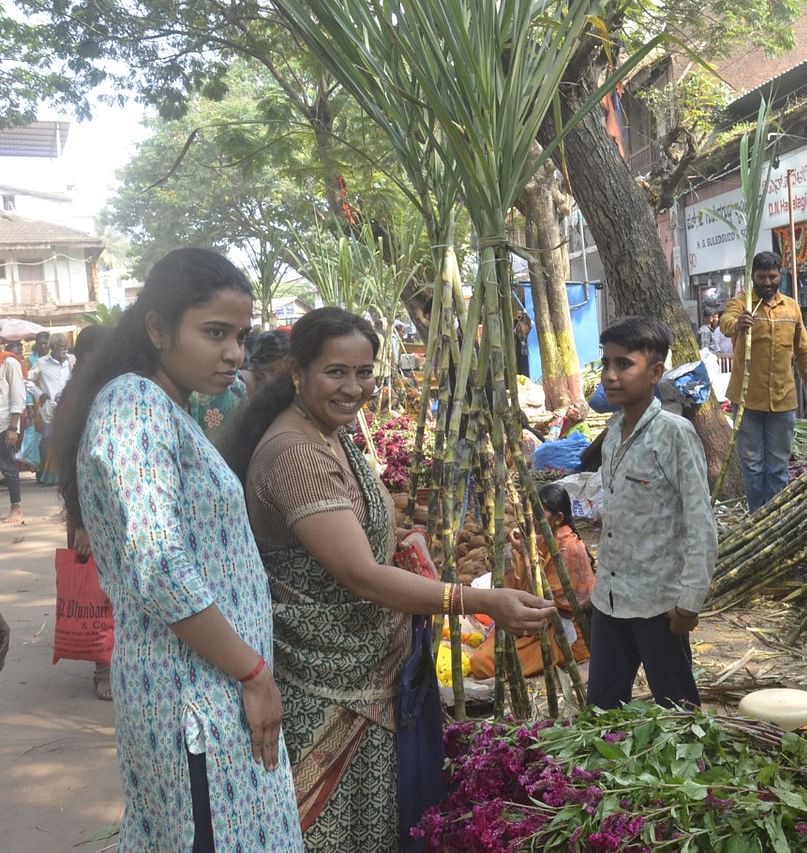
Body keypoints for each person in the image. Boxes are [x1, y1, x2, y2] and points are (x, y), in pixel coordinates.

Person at [224, 306, 554, 851]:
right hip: (328, 687)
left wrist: (400, 538)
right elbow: (360, 575)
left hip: (367, 676)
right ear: (298, 373)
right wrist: (476, 600)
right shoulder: (294, 454)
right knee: (336, 830)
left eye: (364, 371)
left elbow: (357, 537)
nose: (353, 387)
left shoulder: (332, 435)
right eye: (336, 372)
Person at [55, 248, 304, 851]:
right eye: (215, 333)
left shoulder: (166, 408)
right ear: (159, 329)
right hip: (196, 699)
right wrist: (253, 673)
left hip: (209, 689)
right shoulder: (134, 408)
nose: (234, 354)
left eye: (240, 336)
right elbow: (160, 564)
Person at [586, 317, 718, 710]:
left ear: (655, 371)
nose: (610, 375)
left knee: (678, 715)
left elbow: (701, 523)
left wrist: (690, 603)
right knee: (602, 713)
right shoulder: (612, 433)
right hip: (610, 600)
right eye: (605, 364)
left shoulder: (674, 434)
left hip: (660, 605)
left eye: (623, 364)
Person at [720, 251, 807, 512]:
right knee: (753, 468)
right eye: (761, 277)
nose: (767, 282)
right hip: (747, 401)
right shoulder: (742, 304)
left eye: (772, 276)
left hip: (783, 400)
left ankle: (774, 520)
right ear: (752, 277)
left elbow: (802, 352)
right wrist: (738, 324)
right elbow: (725, 322)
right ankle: (757, 518)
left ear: (780, 275)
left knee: (778, 467)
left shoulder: (791, 307)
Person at [470, 481, 595, 678]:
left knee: (482, 663)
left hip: (561, 631)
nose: (531, 518)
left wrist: (526, 555)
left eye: (539, 512)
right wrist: (515, 556)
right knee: (487, 651)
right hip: (533, 624)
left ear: (558, 518)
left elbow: (553, 601)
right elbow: (518, 586)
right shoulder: (541, 539)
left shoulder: (569, 548)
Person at [56, 324, 115, 699]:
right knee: (97, 592)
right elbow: (68, 466)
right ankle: (103, 667)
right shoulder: (75, 398)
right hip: (87, 516)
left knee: (117, 590)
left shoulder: (117, 390)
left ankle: (116, 659)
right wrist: (80, 524)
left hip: (116, 510)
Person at [28, 332, 74, 485]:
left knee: (68, 440)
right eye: (61, 346)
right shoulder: (42, 363)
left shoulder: (72, 361)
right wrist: (40, 395)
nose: (65, 349)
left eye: (66, 346)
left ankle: (66, 474)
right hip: (50, 410)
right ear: (53, 348)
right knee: (49, 441)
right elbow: (28, 381)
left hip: (69, 408)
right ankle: (47, 473)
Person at [1, 341, 25, 524]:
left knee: (8, 468)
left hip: (4, 424)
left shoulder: (9, 363)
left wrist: (13, 428)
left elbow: (18, 394)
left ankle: (16, 509)